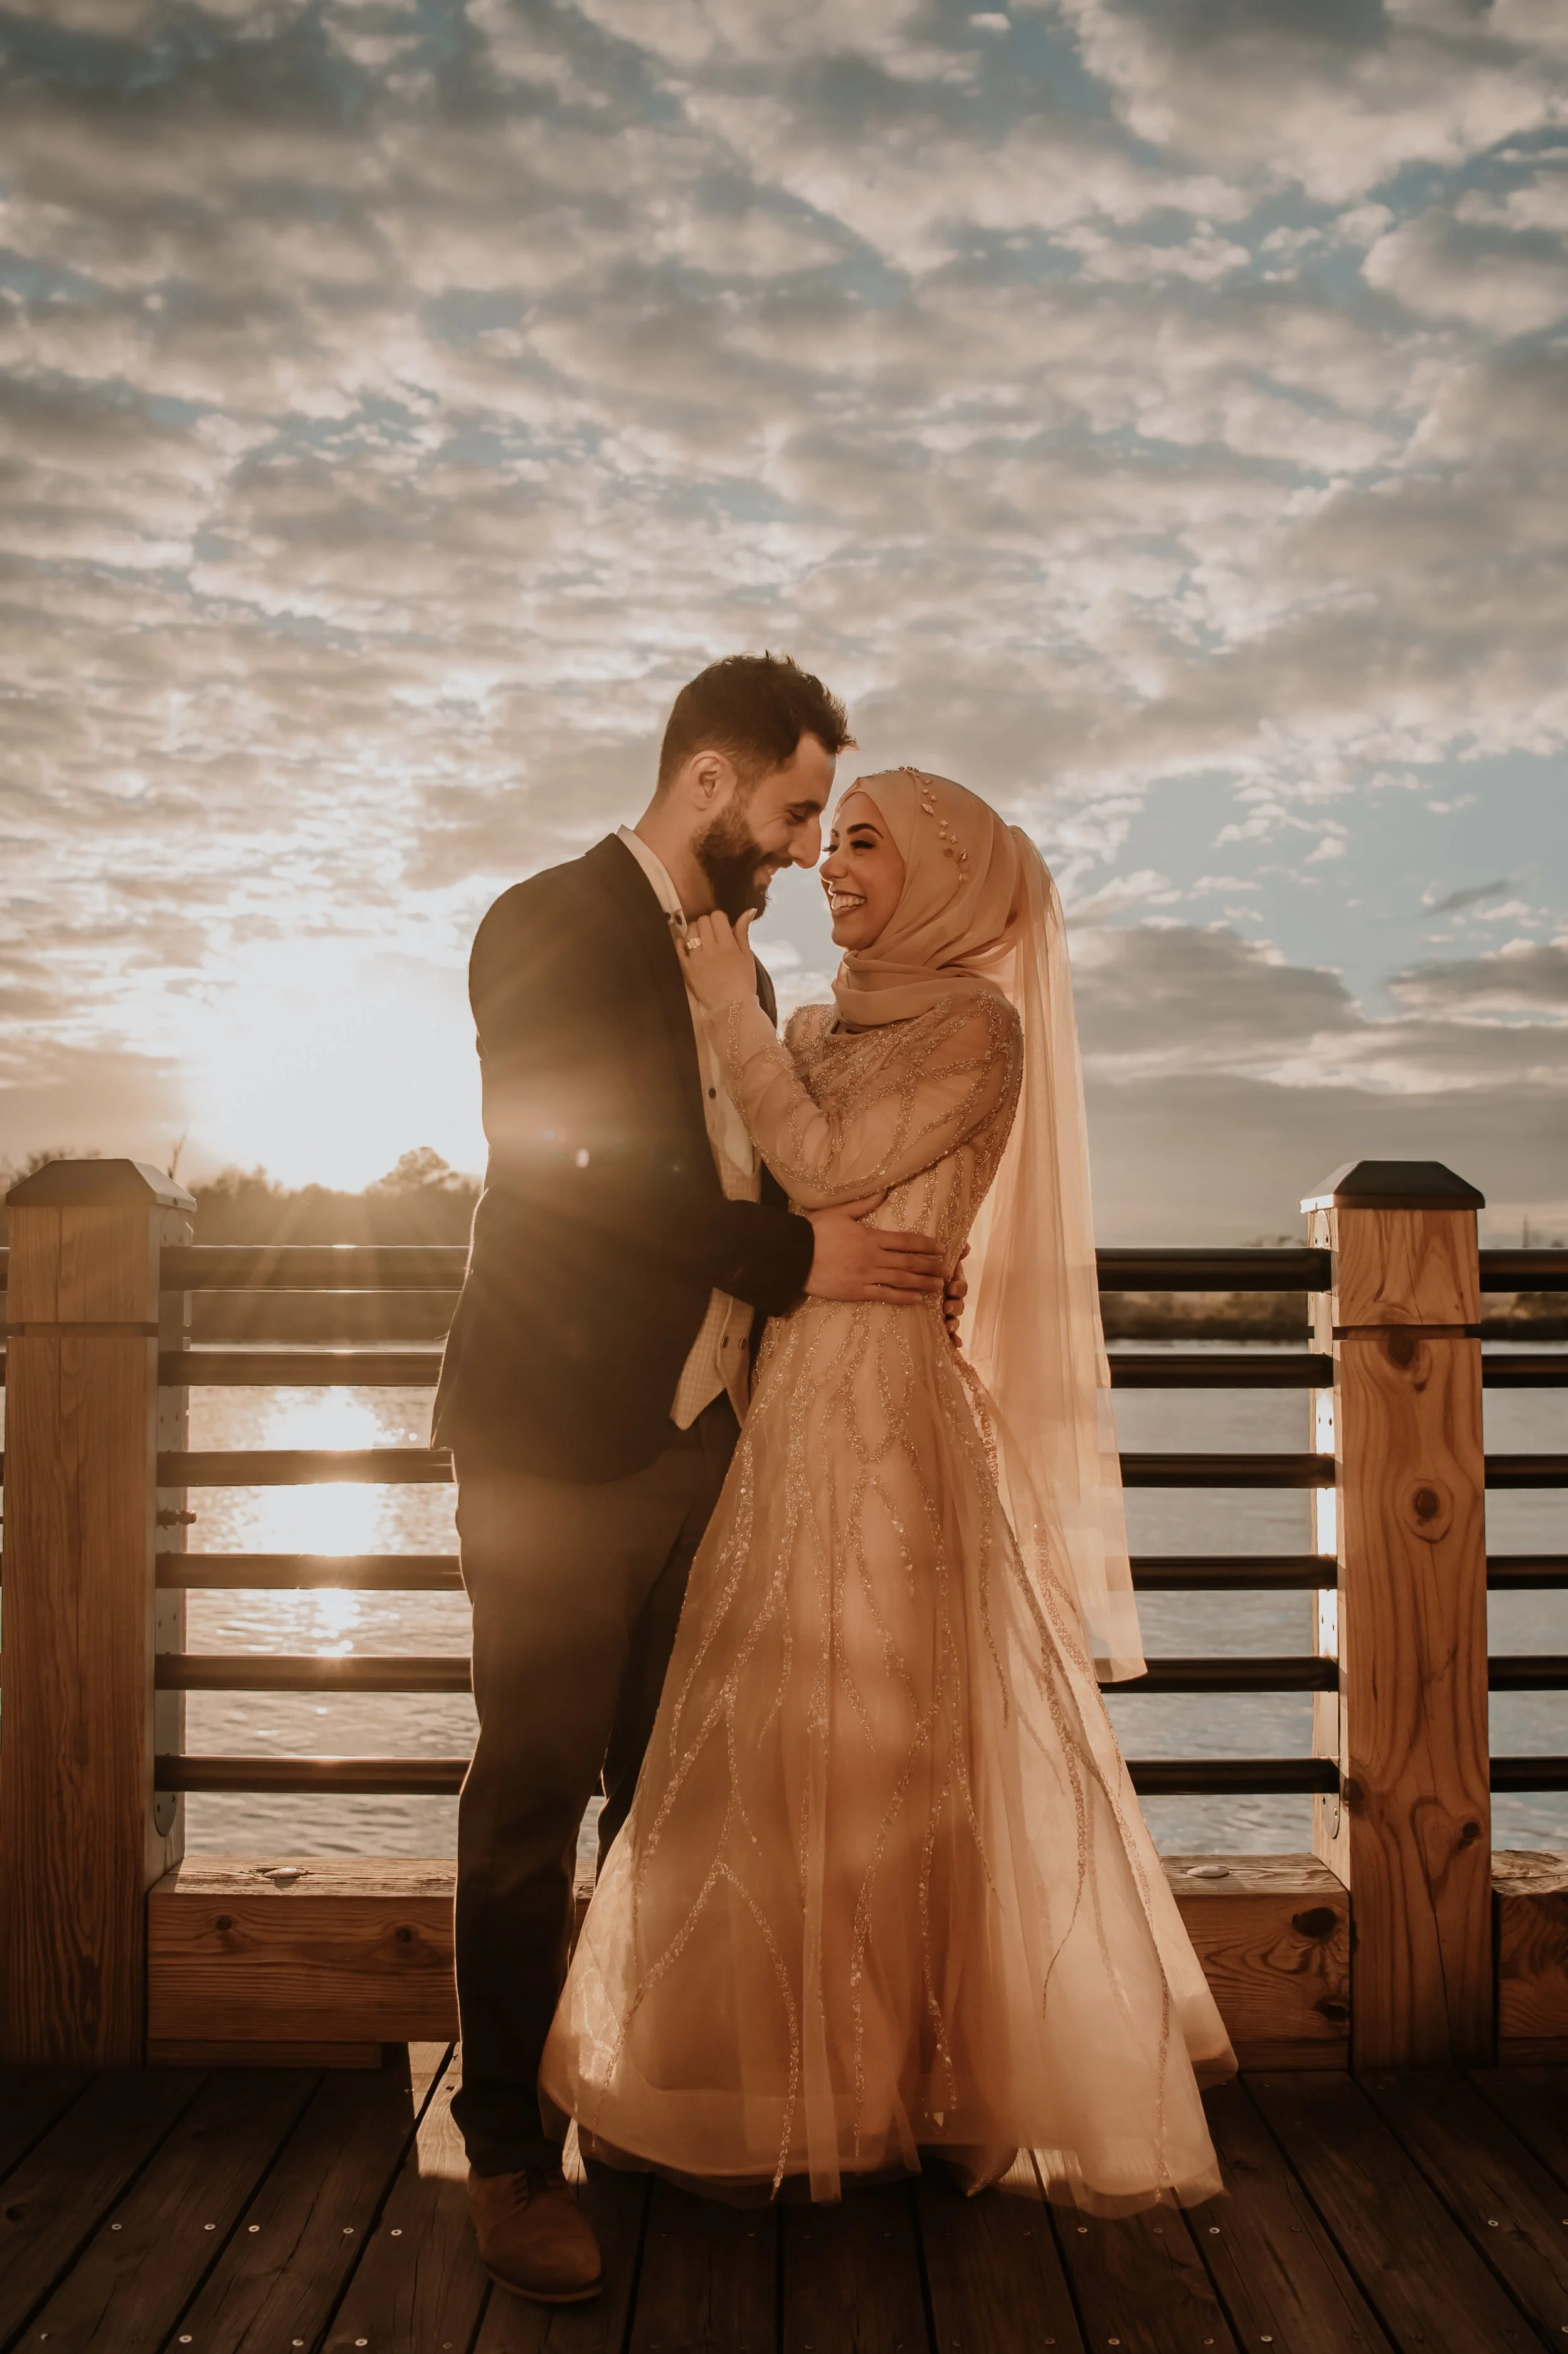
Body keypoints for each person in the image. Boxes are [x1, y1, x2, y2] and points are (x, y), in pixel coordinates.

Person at [541, 768, 1236, 2212]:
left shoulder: (978, 1030)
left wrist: (729, 1001)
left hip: (888, 1427)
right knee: (757, 1740)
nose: (831, 867)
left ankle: (891, 2086)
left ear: (947, 875)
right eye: (830, 837)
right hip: (780, 1404)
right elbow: (772, 1195)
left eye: (863, 844)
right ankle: (751, 2074)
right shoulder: (812, 1023)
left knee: (880, 1751)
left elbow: (827, 1161)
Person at [432, 659, 963, 2304]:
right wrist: (802, 1257)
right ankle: (510, 2156)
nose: (811, 850)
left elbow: (765, 1138)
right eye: (800, 810)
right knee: (529, 1799)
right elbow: (569, 1170)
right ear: (716, 783)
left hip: (715, 1443)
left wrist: (877, 1264)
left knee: (679, 1800)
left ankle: (638, 2105)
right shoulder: (544, 919)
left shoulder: (730, 960)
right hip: (558, 1447)